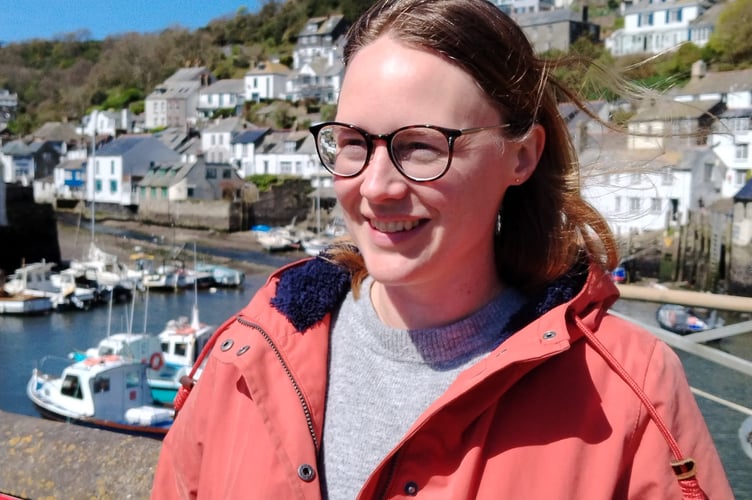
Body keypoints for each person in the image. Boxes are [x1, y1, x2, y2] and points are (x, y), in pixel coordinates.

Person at [151, 0, 733, 498]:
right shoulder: (244, 356)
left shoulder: (627, 387)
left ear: (521, 156)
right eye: (353, 143)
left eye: (423, 147)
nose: (376, 187)